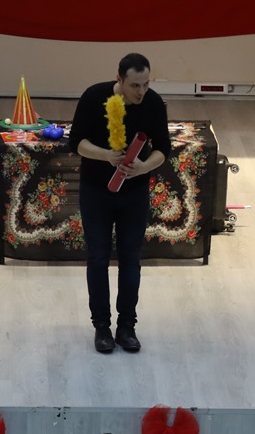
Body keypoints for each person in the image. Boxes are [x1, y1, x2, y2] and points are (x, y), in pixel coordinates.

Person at [68, 53, 171, 354]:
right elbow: (76, 142)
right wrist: (106, 156)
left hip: (134, 194)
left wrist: (143, 166)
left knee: (130, 259)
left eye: (146, 84)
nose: (141, 91)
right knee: (98, 258)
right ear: (119, 80)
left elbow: (163, 147)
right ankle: (102, 326)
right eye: (135, 85)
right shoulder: (94, 96)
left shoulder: (153, 103)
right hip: (95, 191)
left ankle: (127, 326)